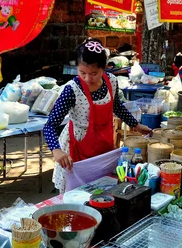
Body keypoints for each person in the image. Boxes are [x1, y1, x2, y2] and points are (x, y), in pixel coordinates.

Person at [43, 38, 152, 193]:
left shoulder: (111, 81)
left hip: (103, 145)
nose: (88, 78)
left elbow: (116, 107)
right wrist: (56, 149)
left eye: (94, 73)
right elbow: (50, 125)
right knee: (77, 194)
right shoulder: (71, 90)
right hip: (78, 147)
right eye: (82, 73)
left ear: (104, 68)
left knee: (103, 190)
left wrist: (136, 125)